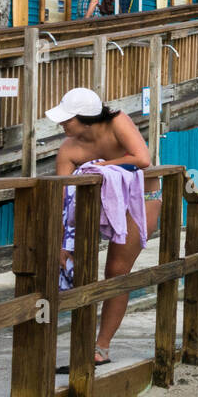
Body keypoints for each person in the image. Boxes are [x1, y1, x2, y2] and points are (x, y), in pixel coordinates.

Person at [49, 88, 156, 367]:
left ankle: (101, 347)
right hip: (98, 204)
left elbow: (142, 159)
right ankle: (81, 342)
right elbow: (63, 196)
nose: (62, 124)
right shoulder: (68, 148)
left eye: (67, 119)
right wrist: (62, 243)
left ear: (86, 119)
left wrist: (101, 167)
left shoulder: (117, 121)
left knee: (116, 271)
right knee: (78, 267)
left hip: (141, 198)